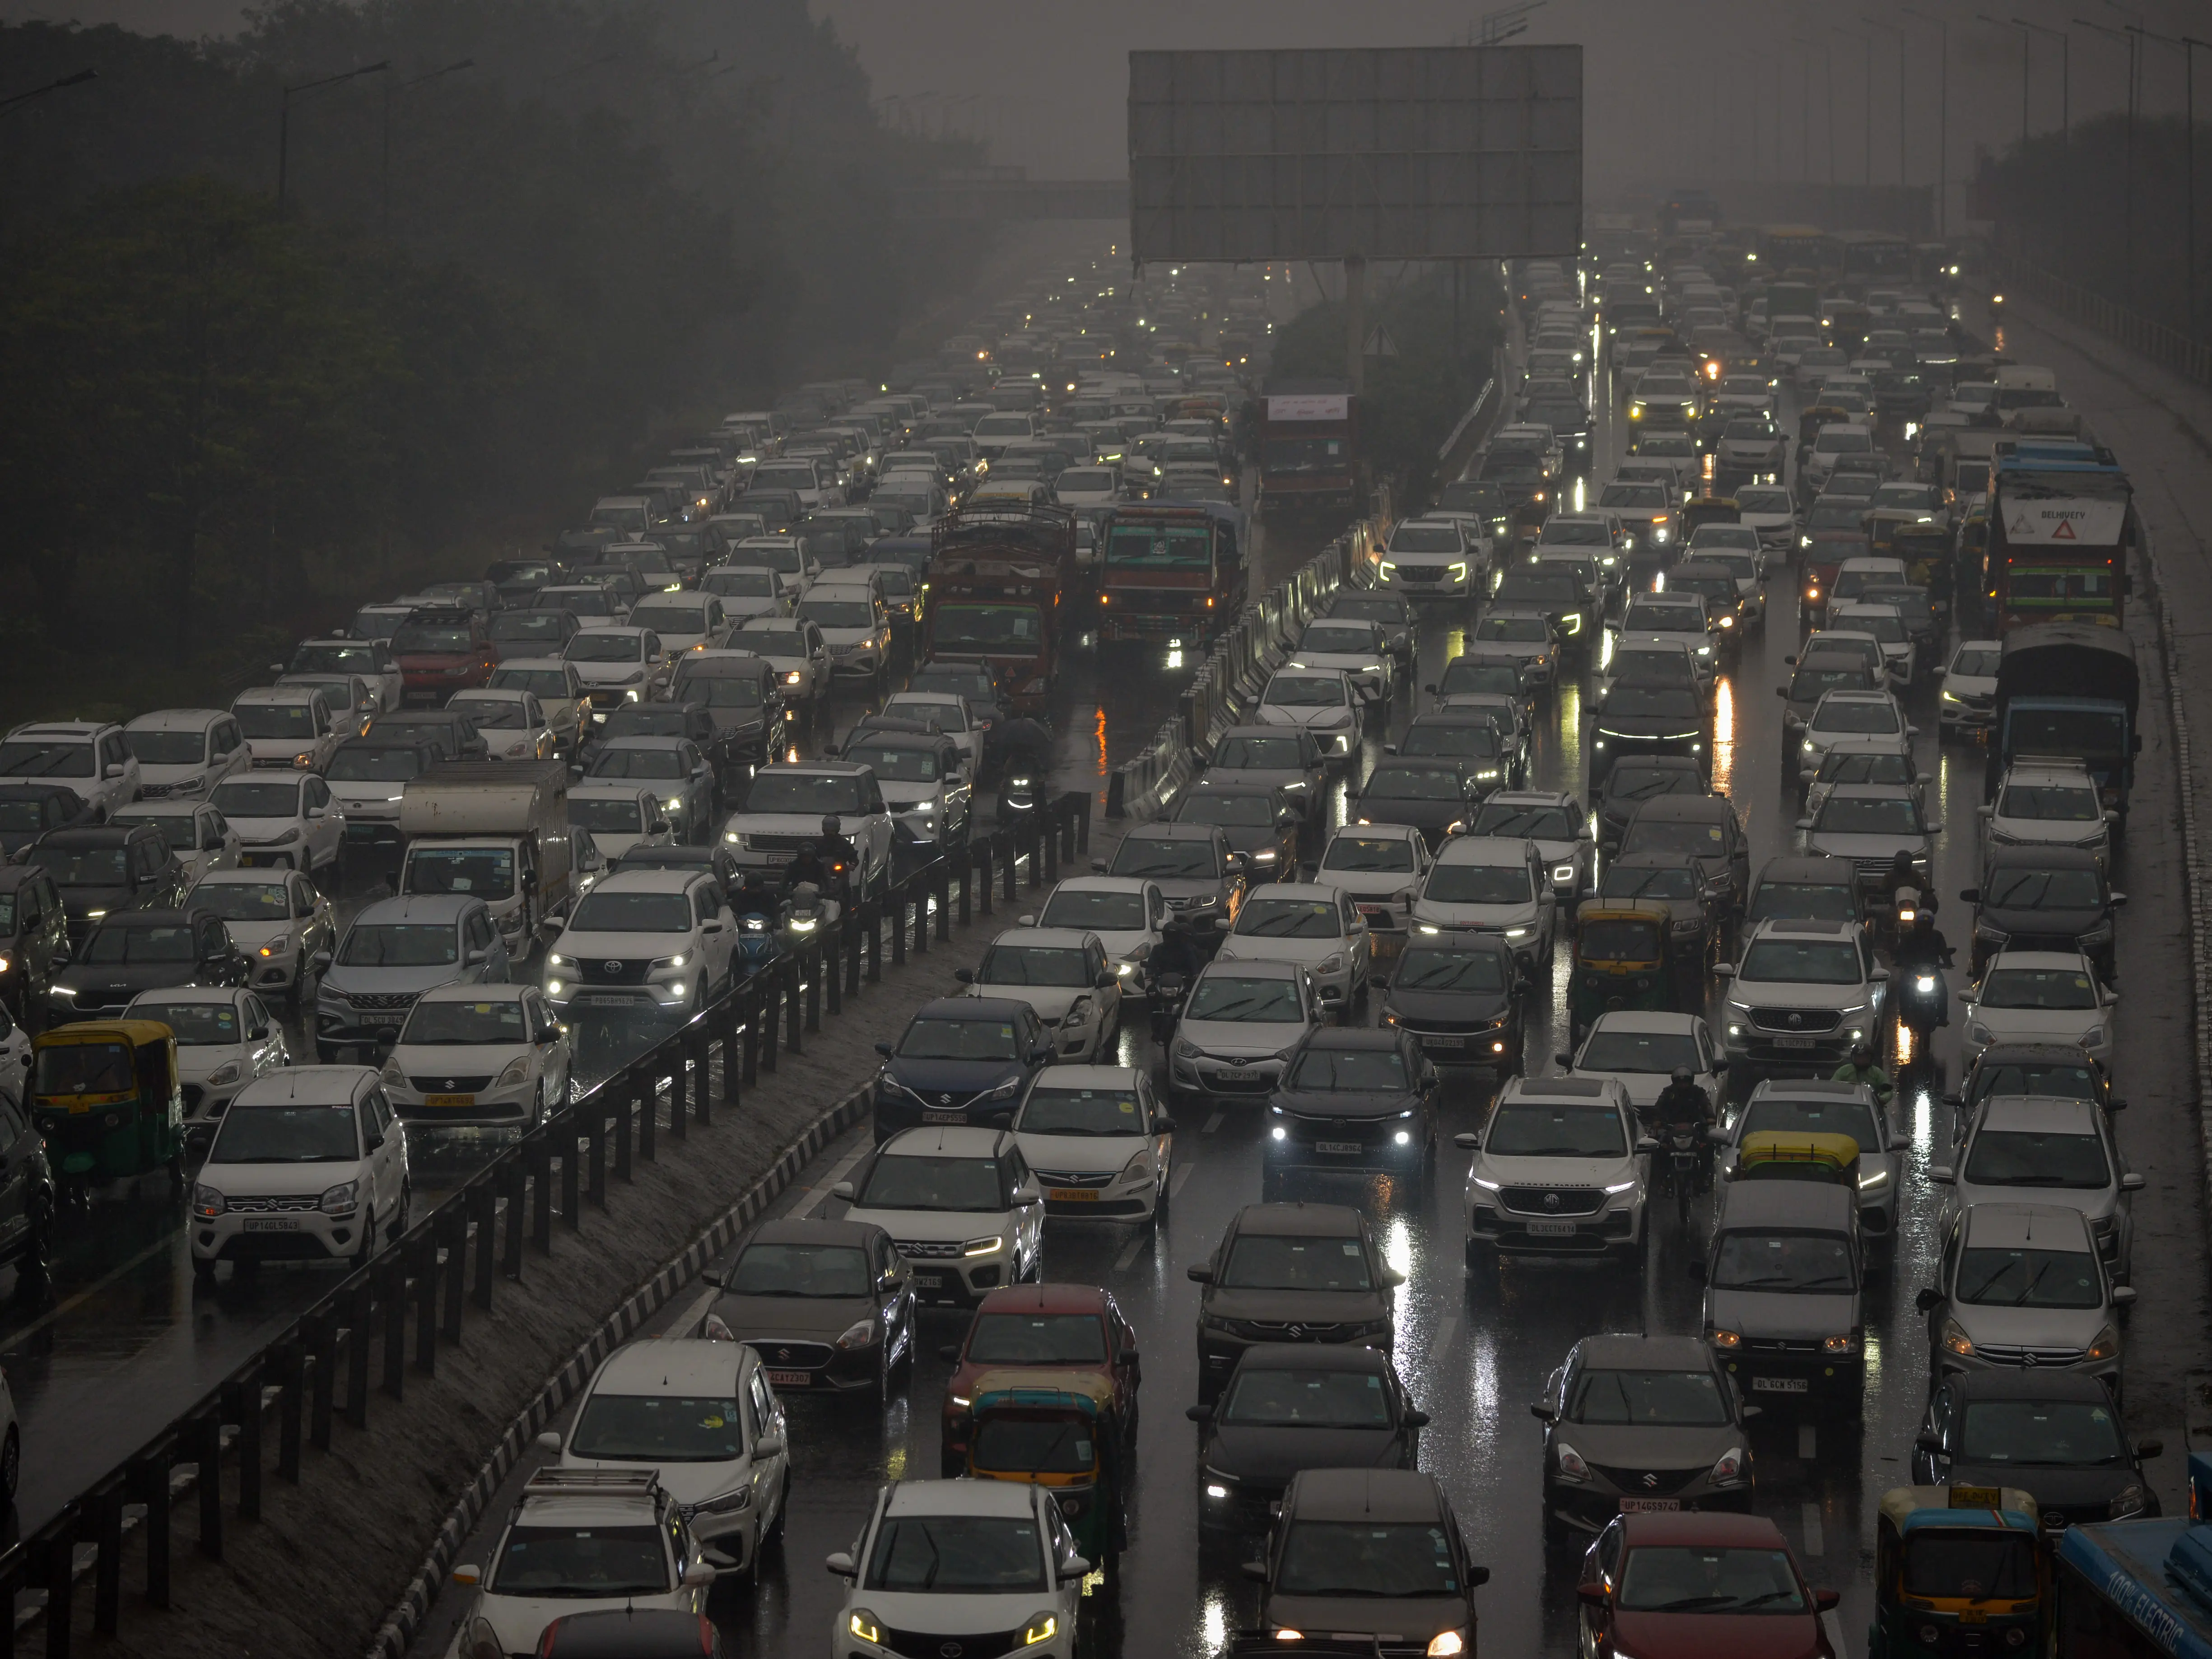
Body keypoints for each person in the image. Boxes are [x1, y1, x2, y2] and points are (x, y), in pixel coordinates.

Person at [1646, 1065, 1715, 1188]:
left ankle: (1705, 1175)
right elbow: (1659, 1107)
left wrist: (1710, 1117)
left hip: (1696, 1127)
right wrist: (1657, 1120)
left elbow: (1706, 1105)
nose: (1683, 1085)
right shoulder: (1668, 1093)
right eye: (1680, 1082)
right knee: (1659, 1148)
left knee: (1709, 1146)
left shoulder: (1698, 1092)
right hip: (1672, 1128)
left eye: (1685, 1082)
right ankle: (1662, 1178)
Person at [1832, 1042, 1896, 1107]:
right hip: (1845, 1106)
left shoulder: (1877, 1073)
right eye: (1858, 1058)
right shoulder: (1844, 1071)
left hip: (1870, 1107)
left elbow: (1888, 1092)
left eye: (1864, 1059)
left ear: (1871, 1059)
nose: (1861, 1061)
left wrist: (1880, 1100)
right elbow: (1832, 1086)